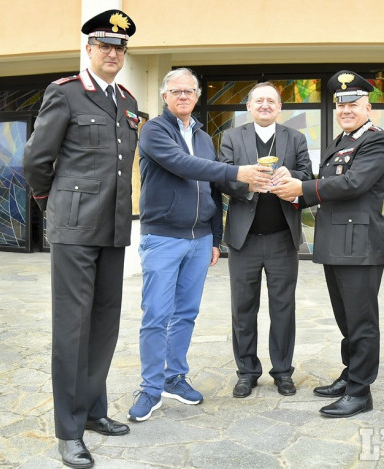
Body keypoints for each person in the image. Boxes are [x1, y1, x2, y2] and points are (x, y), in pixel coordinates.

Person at [22, 9, 138, 468]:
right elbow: (35, 161)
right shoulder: (66, 93)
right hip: (74, 229)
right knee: (72, 328)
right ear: (89, 49)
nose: (112, 53)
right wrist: (55, 205)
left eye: (119, 47)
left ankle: (93, 411)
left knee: (104, 324)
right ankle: (69, 431)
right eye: (104, 45)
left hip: (112, 228)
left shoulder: (127, 102)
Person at [128, 68, 271, 422]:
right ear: (165, 96)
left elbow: (210, 189)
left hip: (199, 240)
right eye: (175, 91)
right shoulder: (153, 131)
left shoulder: (205, 138)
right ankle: (150, 387)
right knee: (156, 316)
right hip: (162, 237)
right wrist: (239, 172)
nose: (182, 96)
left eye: (188, 91)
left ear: (196, 96)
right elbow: (183, 165)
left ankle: (174, 377)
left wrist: (215, 239)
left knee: (186, 314)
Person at [271, 70, 384, 417]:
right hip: (337, 244)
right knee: (346, 319)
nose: (346, 109)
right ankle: (350, 372)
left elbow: (353, 183)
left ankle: (360, 391)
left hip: (361, 245)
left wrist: (302, 189)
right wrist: (291, 189)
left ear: (369, 107)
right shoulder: (341, 141)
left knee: (362, 321)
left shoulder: (376, 141)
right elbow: (325, 185)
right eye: (341, 104)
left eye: (353, 103)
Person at [216, 82, 313, 398]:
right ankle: (246, 372)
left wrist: (293, 180)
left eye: (271, 100)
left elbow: (308, 179)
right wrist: (246, 185)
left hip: (282, 238)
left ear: (279, 107)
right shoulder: (232, 137)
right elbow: (222, 178)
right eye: (259, 100)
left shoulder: (295, 138)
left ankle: (283, 372)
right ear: (248, 106)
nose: (265, 105)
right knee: (243, 309)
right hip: (244, 240)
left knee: (283, 308)